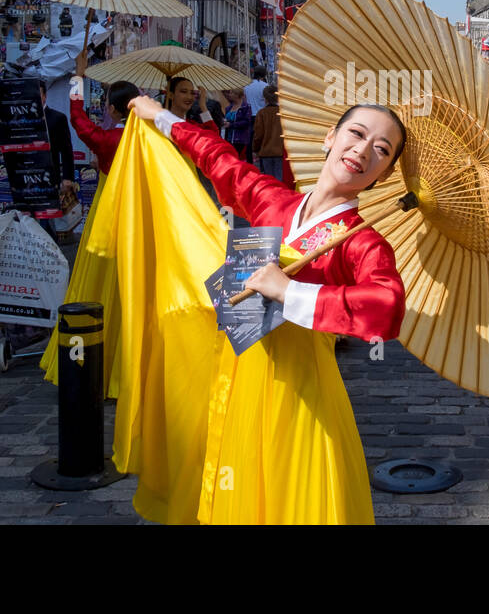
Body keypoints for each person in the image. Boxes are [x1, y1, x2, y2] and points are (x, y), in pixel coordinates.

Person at [127, 95, 407, 523]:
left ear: (383, 175)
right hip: (241, 367)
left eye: (382, 150)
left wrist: (289, 291)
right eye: (356, 133)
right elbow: (219, 160)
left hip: (299, 385)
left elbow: (386, 305)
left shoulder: (360, 239)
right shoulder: (274, 202)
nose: (363, 151)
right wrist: (162, 118)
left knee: (288, 491)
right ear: (330, 138)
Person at [38, 51, 143, 396]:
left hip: (108, 208)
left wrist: (78, 79)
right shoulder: (149, 140)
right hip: (139, 210)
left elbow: (77, 117)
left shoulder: (108, 139)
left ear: (113, 110)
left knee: (100, 271)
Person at [252, 84, 287, 184]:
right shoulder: (283, 113)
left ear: (265, 98)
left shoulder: (261, 113)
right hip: (280, 151)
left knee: (269, 181)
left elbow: (258, 135)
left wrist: (255, 148)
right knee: (280, 180)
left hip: (266, 151)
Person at [222, 87, 254, 163]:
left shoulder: (245, 107)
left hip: (240, 139)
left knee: (239, 160)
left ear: (237, 95)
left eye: (231, 92)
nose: (229, 94)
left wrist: (231, 124)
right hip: (229, 138)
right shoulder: (228, 108)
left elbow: (246, 122)